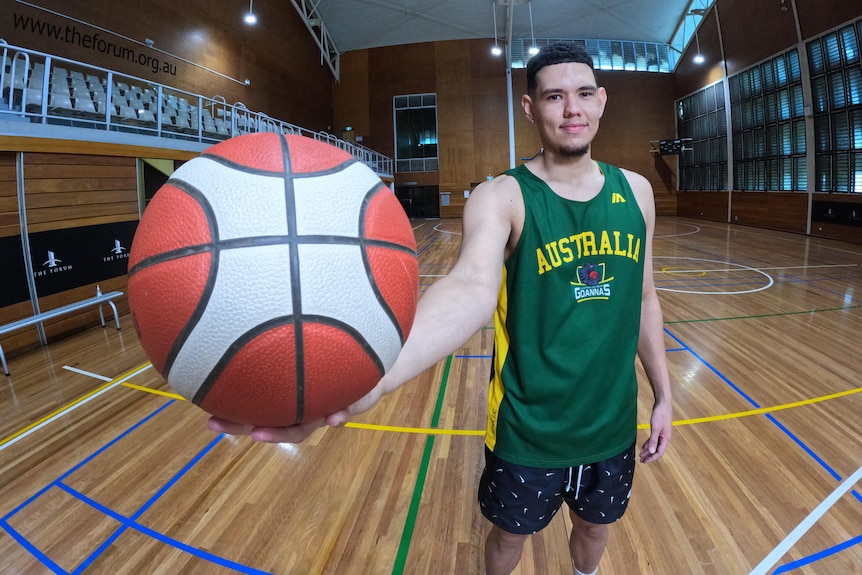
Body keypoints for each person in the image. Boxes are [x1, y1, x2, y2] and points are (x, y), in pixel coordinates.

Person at [209, 42, 672, 575]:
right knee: (509, 538)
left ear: (602, 100)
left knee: (595, 527)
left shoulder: (636, 192)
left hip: (613, 423)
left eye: (584, 94)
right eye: (555, 97)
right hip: (529, 428)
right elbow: (470, 289)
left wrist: (663, 394)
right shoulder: (502, 196)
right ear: (530, 108)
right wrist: (375, 378)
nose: (572, 109)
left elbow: (644, 298)